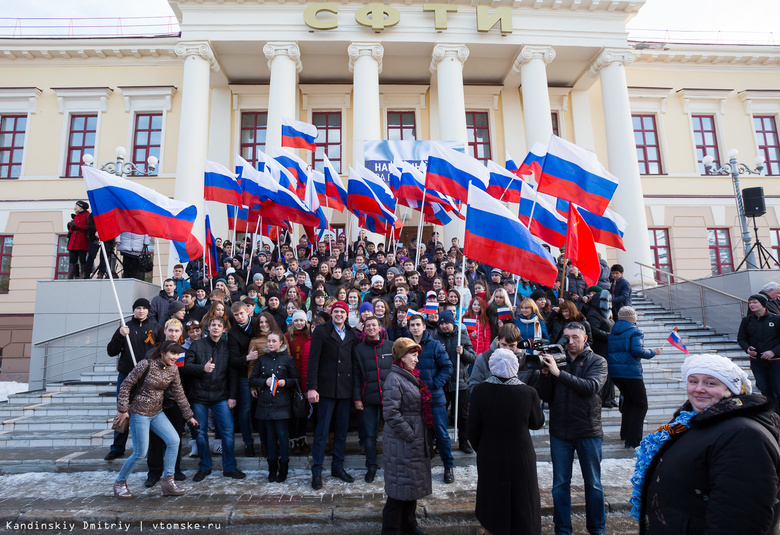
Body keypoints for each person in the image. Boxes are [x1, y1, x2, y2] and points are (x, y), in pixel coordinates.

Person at [632, 353, 780, 535]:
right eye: (693, 381)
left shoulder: (743, 435)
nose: (699, 389)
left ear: (730, 390)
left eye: (710, 383)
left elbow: (740, 518)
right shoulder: (692, 422)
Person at [535, 322, 608, 535]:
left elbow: (590, 387)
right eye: (567, 337)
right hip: (560, 432)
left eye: (575, 337)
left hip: (588, 431)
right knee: (559, 486)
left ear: (585, 338)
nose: (571, 341)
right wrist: (546, 375)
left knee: (593, 485)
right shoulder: (558, 359)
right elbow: (545, 396)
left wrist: (558, 374)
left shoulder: (598, 361)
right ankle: (562, 530)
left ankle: (597, 530)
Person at [468, 348, 545, 535]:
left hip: (490, 453)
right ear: (515, 367)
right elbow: (537, 423)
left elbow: (472, 430)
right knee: (522, 498)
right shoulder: (528, 392)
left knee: (493, 499)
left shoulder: (480, 391)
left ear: (491, 366)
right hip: (521, 454)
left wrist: (483, 448)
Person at [112, 340, 199, 499]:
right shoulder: (145, 365)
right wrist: (123, 409)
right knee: (140, 453)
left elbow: (179, 394)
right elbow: (125, 386)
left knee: (174, 440)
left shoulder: (173, 370)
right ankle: (120, 482)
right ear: (162, 353)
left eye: (177, 353)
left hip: (157, 413)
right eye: (172, 353)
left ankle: (168, 482)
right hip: (139, 413)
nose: (175, 356)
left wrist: (189, 416)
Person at [183, 316, 246, 482]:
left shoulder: (226, 348)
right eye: (213, 325)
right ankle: (204, 466)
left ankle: (229, 467)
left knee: (228, 432)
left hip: (221, 396)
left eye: (219, 325)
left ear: (223, 329)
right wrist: (202, 368)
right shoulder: (197, 345)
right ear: (208, 328)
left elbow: (232, 374)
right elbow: (186, 367)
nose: (216, 328)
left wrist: (232, 396)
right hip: (199, 396)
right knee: (200, 433)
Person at [381, 338, 432, 535]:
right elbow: (391, 413)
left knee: (411, 485)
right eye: (413, 354)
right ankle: (392, 529)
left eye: (417, 354)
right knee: (399, 488)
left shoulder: (410, 376)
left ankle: (409, 524)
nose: (416, 359)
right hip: (402, 442)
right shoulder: (395, 379)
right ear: (402, 357)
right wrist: (410, 434)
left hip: (413, 440)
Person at [104, 298, 163, 461]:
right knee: (123, 411)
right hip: (127, 376)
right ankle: (117, 447)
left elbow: (162, 352)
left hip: (148, 377)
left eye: (144, 308)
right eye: (138, 308)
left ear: (148, 310)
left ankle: (149, 447)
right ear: (134, 310)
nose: (141, 311)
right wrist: (120, 336)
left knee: (149, 411)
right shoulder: (125, 327)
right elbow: (111, 351)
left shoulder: (156, 328)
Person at [307, 300, 357, 489]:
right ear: (331, 313)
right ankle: (317, 471)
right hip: (326, 390)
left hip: (344, 390)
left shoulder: (351, 334)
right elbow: (313, 361)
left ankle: (338, 467)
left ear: (346, 315)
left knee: (341, 433)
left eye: (342, 312)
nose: (338, 315)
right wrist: (312, 387)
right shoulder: (321, 331)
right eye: (336, 312)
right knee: (321, 432)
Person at [408, 314, 455, 483]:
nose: (415, 328)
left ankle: (448, 466)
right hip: (413, 398)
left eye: (417, 324)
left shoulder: (434, 345)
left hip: (434, 397)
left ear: (424, 327)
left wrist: (435, 384)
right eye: (412, 325)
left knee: (441, 433)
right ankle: (419, 467)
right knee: (417, 435)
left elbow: (448, 367)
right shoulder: (405, 345)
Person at [607, 306, 662, 449]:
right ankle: (633, 440)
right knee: (641, 405)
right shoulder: (635, 331)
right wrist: (653, 352)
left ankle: (625, 434)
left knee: (630, 403)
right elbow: (637, 351)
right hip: (631, 372)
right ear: (633, 318)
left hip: (616, 372)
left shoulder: (614, 331)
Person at [249, 330, 299, 483]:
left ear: (281, 343)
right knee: (270, 436)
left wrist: (285, 382)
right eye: (268, 341)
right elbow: (252, 379)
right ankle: (272, 467)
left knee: (282, 435)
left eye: (273, 341)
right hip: (266, 403)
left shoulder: (287, 360)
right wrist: (264, 382)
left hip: (282, 403)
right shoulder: (262, 360)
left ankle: (284, 466)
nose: (270, 344)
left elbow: (296, 380)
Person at [352, 315, 394, 482]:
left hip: (390, 398)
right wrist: (357, 398)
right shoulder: (359, 349)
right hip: (368, 398)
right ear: (364, 328)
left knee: (392, 434)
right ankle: (371, 466)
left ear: (379, 328)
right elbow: (356, 376)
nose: (370, 328)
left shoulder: (391, 347)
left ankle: (393, 464)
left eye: (373, 325)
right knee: (370, 435)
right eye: (367, 326)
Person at [432, 309, 477, 454]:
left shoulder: (462, 337)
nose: (444, 326)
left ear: (452, 323)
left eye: (447, 323)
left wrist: (463, 352)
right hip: (442, 383)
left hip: (460, 382)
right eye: (442, 323)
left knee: (462, 415)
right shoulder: (435, 338)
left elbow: (473, 358)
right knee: (441, 415)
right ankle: (441, 442)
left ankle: (464, 441)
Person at [737, 293, 780, 412]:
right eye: (750, 302)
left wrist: (773, 351)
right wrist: (747, 349)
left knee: (778, 390)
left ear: (763, 304)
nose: (751, 305)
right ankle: (771, 415)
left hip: (776, 362)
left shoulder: (776, 319)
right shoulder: (747, 321)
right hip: (757, 362)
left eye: (755, 302)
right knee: (764, 389)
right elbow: (741, 338)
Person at [227, 301, 259, 457]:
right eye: (236, 315)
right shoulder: (233, 333)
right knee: (245, 409)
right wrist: (247, 357)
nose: (239, 317)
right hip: (244, 375)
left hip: (262, 373)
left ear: (248, 311)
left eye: (241, 313)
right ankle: (248, 443)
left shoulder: (257, 323)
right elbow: (233, 360)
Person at [66, 200, 90, 279]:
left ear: (82, 208)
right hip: (73, 240)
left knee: (82, 259)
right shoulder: (76, 216)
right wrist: (71, 227)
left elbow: (89, 227)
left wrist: (77, 225)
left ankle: (83, 274)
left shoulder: (88, 215)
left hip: (82, 240)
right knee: (72, 259)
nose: (75, 207)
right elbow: (73, 229)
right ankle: (72, 275)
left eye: (77, 206)